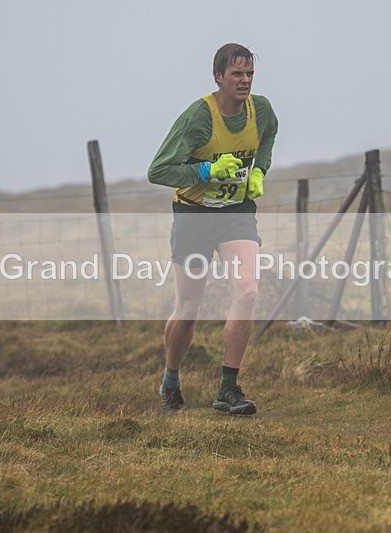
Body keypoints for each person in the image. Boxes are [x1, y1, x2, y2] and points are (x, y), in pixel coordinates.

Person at [148, 43, 278, 415]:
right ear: (218, 76)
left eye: (250, 73)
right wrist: (205, 171)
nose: (245, 81)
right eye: (237, 74)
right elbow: (158, 171)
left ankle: (229, 388)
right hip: (194, 215)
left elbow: (266, 140)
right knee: (189, 305)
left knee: (248, 291)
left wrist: (257, 172)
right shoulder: (198, 118)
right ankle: (171, 379)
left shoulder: (262, 110)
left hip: (237, 213)